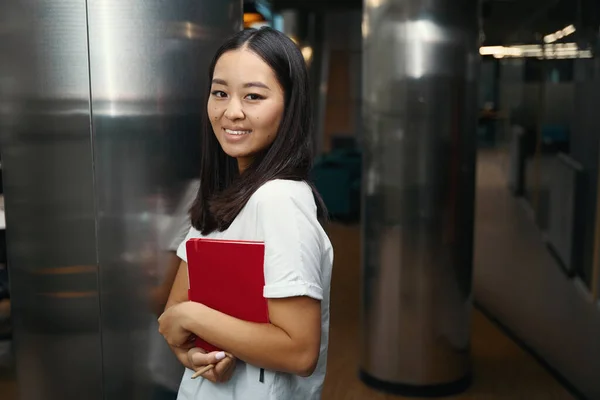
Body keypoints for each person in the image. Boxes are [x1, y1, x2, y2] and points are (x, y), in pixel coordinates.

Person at [157, 26, 334, 400]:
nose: (231, 111)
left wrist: (192, 318)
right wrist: (199, 354)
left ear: (290, 107)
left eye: (253, 96)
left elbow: (299, 351)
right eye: (220, 93)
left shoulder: (280, 200)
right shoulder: (219, 197)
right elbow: (175, 318)